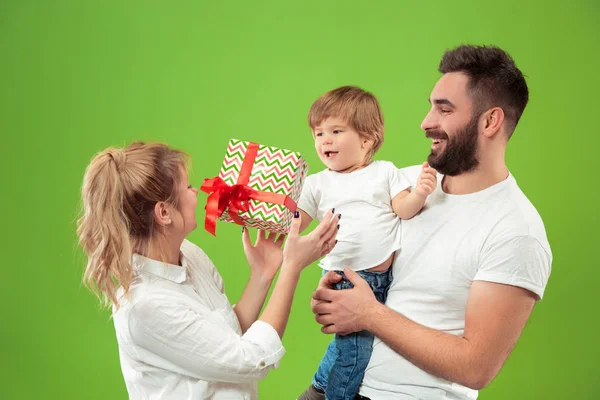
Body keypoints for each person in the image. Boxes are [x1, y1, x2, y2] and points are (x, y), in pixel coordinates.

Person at [310, 45, 552, 400]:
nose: (426, 122)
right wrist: (334, 294)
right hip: (334, 385)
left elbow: (476, 368)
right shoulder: (403, 183)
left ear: (490, 121)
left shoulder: (516, 231)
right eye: (431, 106)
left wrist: (368, 314)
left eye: (444, 109)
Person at [77, 141, 340, 399]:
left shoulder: (189, 254)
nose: (197, 192)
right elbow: (252, 359)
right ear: (164, 212)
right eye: (188, 187)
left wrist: (262, 274)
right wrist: (292, 267)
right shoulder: (144, 307)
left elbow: (227, 339)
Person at [296, 86, 437, 400]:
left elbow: (403, 208)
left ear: (367, 139)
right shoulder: (316, 183)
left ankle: (317, 390)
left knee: (347, 345)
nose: (325, 140)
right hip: (347, 279)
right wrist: (272, 206)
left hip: (384, 279)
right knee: (355, 353)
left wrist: (420, 193)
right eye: (318, 134)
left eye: (336, 131)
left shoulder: (384, 172)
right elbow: (296, 222)